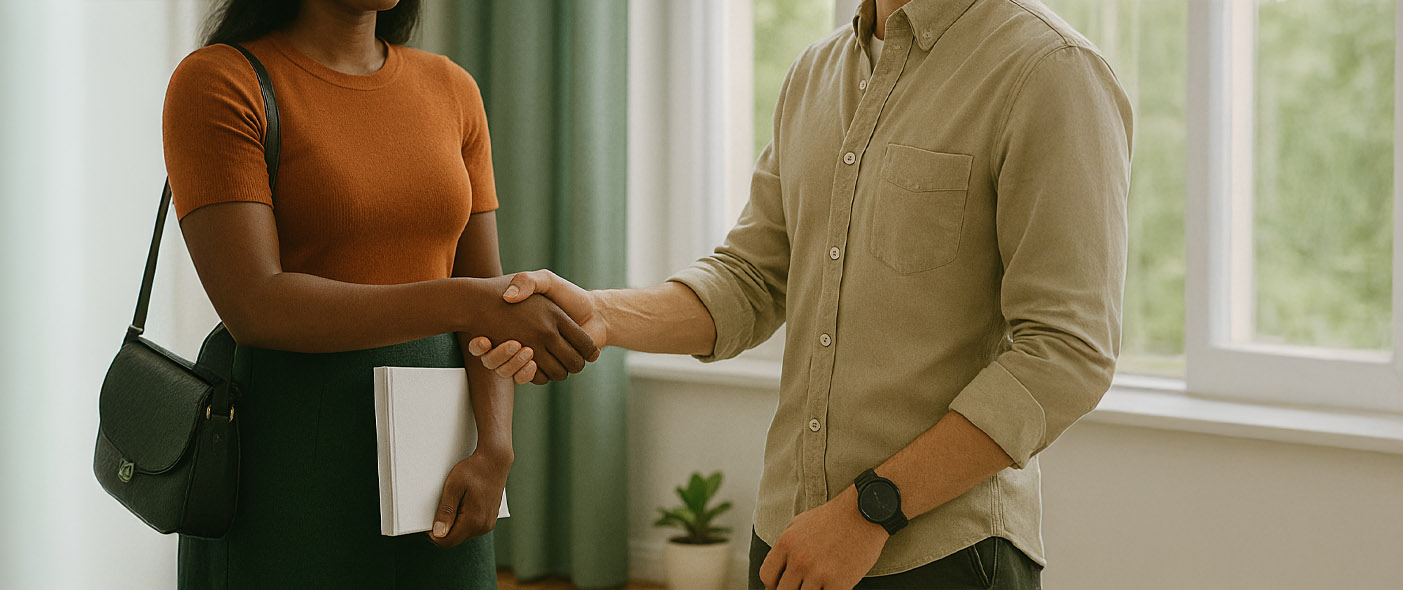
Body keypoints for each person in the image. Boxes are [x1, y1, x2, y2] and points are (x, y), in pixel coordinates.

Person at [470, 0, 1132, 588]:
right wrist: (605, 315)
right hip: (789, 541)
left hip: (942, 555)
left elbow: (1066, 353)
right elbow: (752, 280)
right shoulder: (815, 74)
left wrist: (869, 511)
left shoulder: (1050, 70)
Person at [161, 0, 599, 587]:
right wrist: (467, 300)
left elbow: (492, 303)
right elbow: (255, 307)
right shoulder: (220, 81)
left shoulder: (452, 89)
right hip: (287, 453)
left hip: (439, 453)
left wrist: (495, 447)